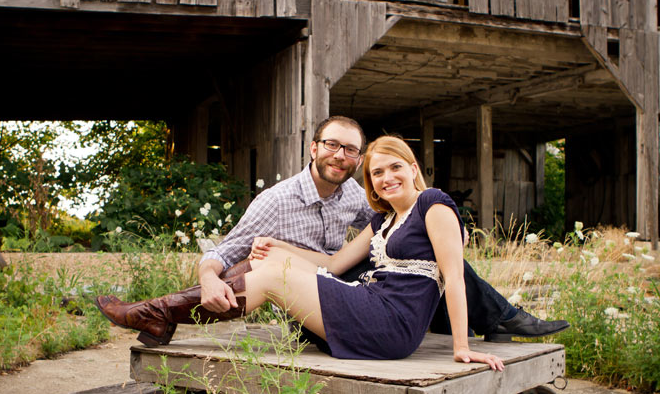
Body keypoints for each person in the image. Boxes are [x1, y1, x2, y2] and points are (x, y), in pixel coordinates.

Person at [95, 135, 505, 370]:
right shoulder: (381, 221)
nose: (386, 178)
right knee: (266, 261)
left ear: (414, 168)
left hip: (391, 325)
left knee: (271, 276)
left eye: (395, 168)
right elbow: (333, 264)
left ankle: (158, 313)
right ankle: (159, 314)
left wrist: (461, 346)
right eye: (377, 173)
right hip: (368, 305)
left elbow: (454, 277)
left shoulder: (433, 204)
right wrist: (279, 248)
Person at [197, 115, 568, 341]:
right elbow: (222, 252)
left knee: (430, 264)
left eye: (350, 150)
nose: (340, 156)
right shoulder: (276, 200)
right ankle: (501, 318)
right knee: (427, 270)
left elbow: (400, 224)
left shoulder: (355, 196)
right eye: (331, 145)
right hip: (312, 306)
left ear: (358, 160)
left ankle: (477, 336)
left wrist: (447, 225)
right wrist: (210, 280)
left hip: (342, 279)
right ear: (313, 148)